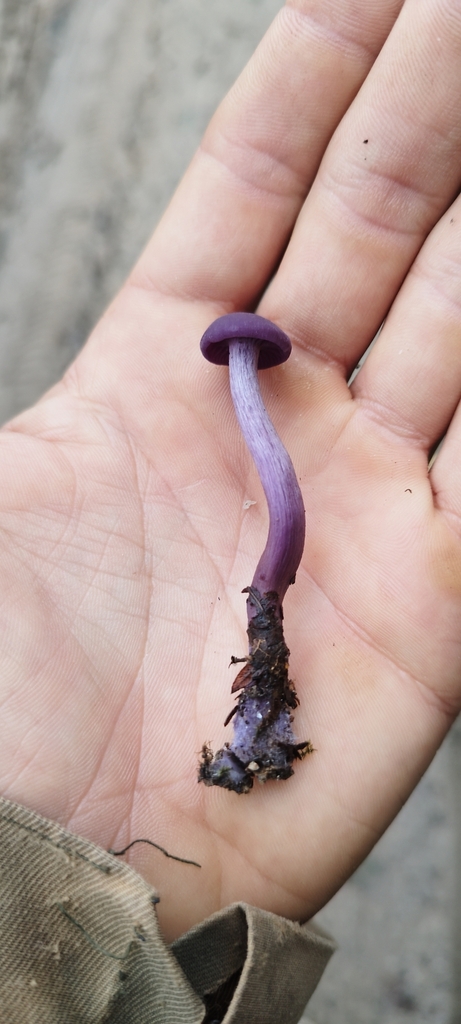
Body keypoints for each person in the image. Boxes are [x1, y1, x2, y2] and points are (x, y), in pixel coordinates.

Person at [1, 0, 461, 1019]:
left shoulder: (251, 368)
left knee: (278, 544)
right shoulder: (234, 367)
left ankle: (260, 714)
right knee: (276, 551)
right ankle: (258, 716)